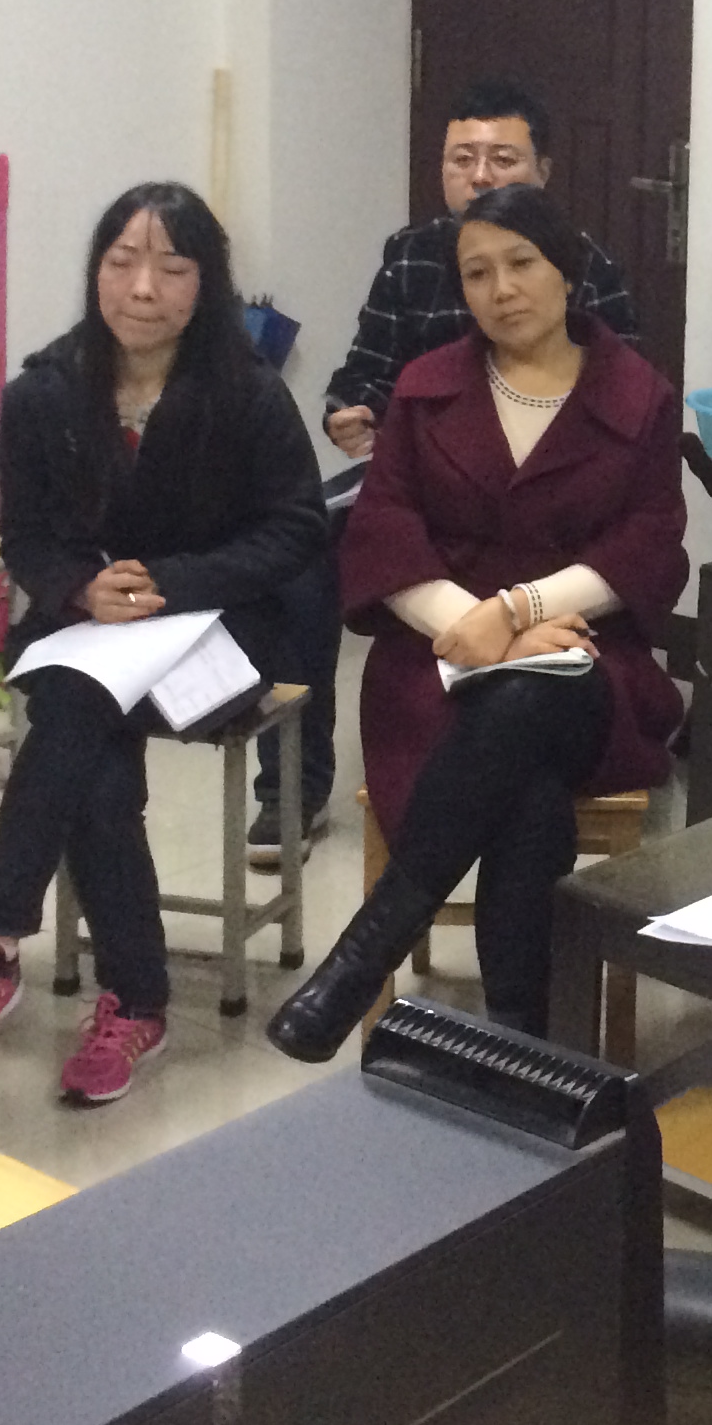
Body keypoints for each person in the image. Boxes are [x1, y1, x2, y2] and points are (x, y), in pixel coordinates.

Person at [267, 185, 687, 1052]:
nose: (502, 289)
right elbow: (384, 532)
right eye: (477, 273)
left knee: (531, 699)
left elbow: (648, 544)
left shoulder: (639, 396)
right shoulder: (425, 388)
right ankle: (521, 1044)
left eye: (521, 263)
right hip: (437, 659)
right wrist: (479, 625)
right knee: (528, 794)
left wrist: (519, 611)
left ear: (567, 269)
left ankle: (362, 957)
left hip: (587, 657)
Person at [0, 185, 325, 1105]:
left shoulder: (248, 394)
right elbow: (27, 538)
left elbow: (297, 530)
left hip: (219, 635)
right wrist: (80, 587)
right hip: (91, 631)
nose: (142, 288)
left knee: (75, 714)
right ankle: (137, 1000)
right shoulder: (44, 392)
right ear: (95, 271)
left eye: (172, 268)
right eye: (122, 263)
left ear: (206, 284)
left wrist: (168, 585)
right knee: (95, 758)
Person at [288, 78, 638, 863]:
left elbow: (623, 412)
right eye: (461, 159)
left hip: (545, 524)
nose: (479, 176)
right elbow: (364, 372)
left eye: (501, 159)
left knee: (525, 729)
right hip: (419, 484)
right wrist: (351, 410)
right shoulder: (411, 258)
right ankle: (295, 783)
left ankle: (386, 926)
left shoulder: (590, 270)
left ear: (543, 172)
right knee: (304, 554)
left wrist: (511, 613)